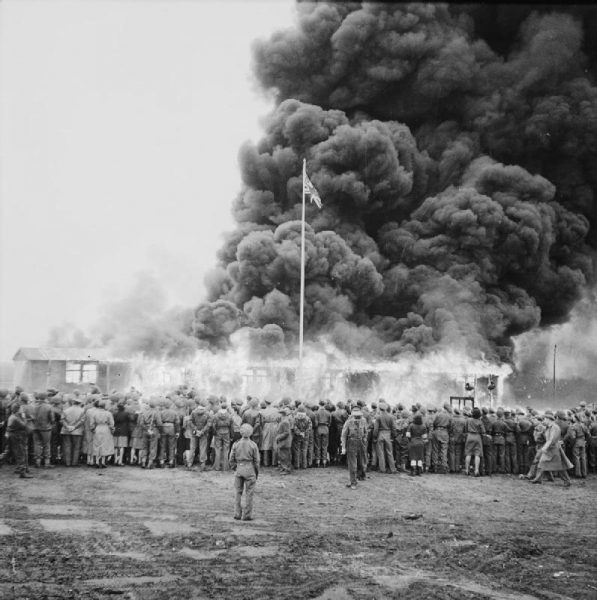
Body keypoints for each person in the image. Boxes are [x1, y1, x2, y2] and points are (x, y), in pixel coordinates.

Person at [530, 411, 572, 486]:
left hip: (554, 449)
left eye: (545, 419)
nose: (543, 421)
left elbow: (551, 439)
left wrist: (544, 447)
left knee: (559, 466)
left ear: (549, 419)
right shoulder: (548, 427)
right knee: (541, 463)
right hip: (549, 449)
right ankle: (538, 479)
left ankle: (567, 481)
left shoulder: (555, 427)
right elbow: (545, 437)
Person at [229, 423, 260, 521]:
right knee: (249, 492)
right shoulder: (253, 445)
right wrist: (256, 472)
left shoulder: (236, 444)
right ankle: (247, 515)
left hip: (239, 468)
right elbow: (257, 461)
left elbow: (231, 458)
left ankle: (237, 513)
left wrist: (235, 467)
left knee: (238, 492)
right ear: (251, 433)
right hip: (250, 469)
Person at [0, 403, 33, 478]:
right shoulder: (15, 418)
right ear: (17, 410)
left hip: (10, 436)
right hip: (15, 437)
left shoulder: (12, 416)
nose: (22, 409)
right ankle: (22, 472)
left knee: (7, 452)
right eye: (20, 408)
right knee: (20, 454)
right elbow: (24, 425)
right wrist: (24, 417)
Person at [341, 408, 368, 489]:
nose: (358, 419)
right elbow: (343, 435)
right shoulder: (348, 422)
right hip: (351, 443)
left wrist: (364, 440)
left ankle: (359, 477)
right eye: (356, 417)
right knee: (353, 465)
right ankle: (353, 482)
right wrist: (343, 447)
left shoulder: (363, 421)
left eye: (359, 417)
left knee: (362, 463)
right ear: (352, 416)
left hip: (361, 443)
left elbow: (366, 432)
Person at [373, 401, 397, 474]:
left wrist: (374, 437)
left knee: (380, 453)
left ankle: (382, 468)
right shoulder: (391, 416)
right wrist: (394, 435)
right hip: (388, 434)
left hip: (380, 434)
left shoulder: (378, 417)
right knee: (389, 452)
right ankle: (393, 469)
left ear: (380, 408)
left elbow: (376, 429)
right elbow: (393, 428)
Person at [32, 392, 55, 468]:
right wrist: (51, 424)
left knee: (37, 444)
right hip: (46, 428)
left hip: (35, 428)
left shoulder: (33, 406)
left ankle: (37, 462)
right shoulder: (49, 407)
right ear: (46, 398)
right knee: (46, 445)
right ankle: (46, 463)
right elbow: (52, 419)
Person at [61, 395, 85, 467]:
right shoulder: (82, 410)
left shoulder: (66, 410)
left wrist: (67, 426)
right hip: (77, 431)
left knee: (67, 446)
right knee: (76, 447)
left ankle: (67, 462)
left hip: (66, 430)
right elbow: (82, 421)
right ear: (80, 403)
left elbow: (62, 420)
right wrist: (74, 427)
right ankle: (74, 462)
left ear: (72, 402)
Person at [91, 400, 115, 469]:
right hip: (106, 428)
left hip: (98, 428)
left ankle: (97, 462)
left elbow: (92, 424)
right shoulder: (108, 413)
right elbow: (112, 423)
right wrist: (112, 429)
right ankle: (103, 462)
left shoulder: (94, 413)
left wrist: (92, 429)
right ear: (104, 406)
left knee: (97, 444)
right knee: (105, 445)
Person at [464, 407, 486, 477]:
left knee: (468, 453)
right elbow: (483, 431)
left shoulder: (468, 420)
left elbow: (465, 428)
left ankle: (467, 470)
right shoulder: (480, 422)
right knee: (477, 454)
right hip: (477, 437)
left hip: (469, 436)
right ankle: (476, 470)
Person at [112, 401, 130, 466]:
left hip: (116, 430)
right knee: (122, 447)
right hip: (124, 431)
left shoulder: (115, 414)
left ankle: (115, 460)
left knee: (116, 446)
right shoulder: (126, 414)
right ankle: (120, 461)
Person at [276, 406, 292, 475]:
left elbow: (286, 433)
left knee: (285, 456)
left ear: (282, 414)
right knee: (282, 455)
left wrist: (278, 437)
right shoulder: (284, 421)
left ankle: (286, 469)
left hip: (284, 441)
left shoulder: (285, 422)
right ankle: (283, 467)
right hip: (283, 441)